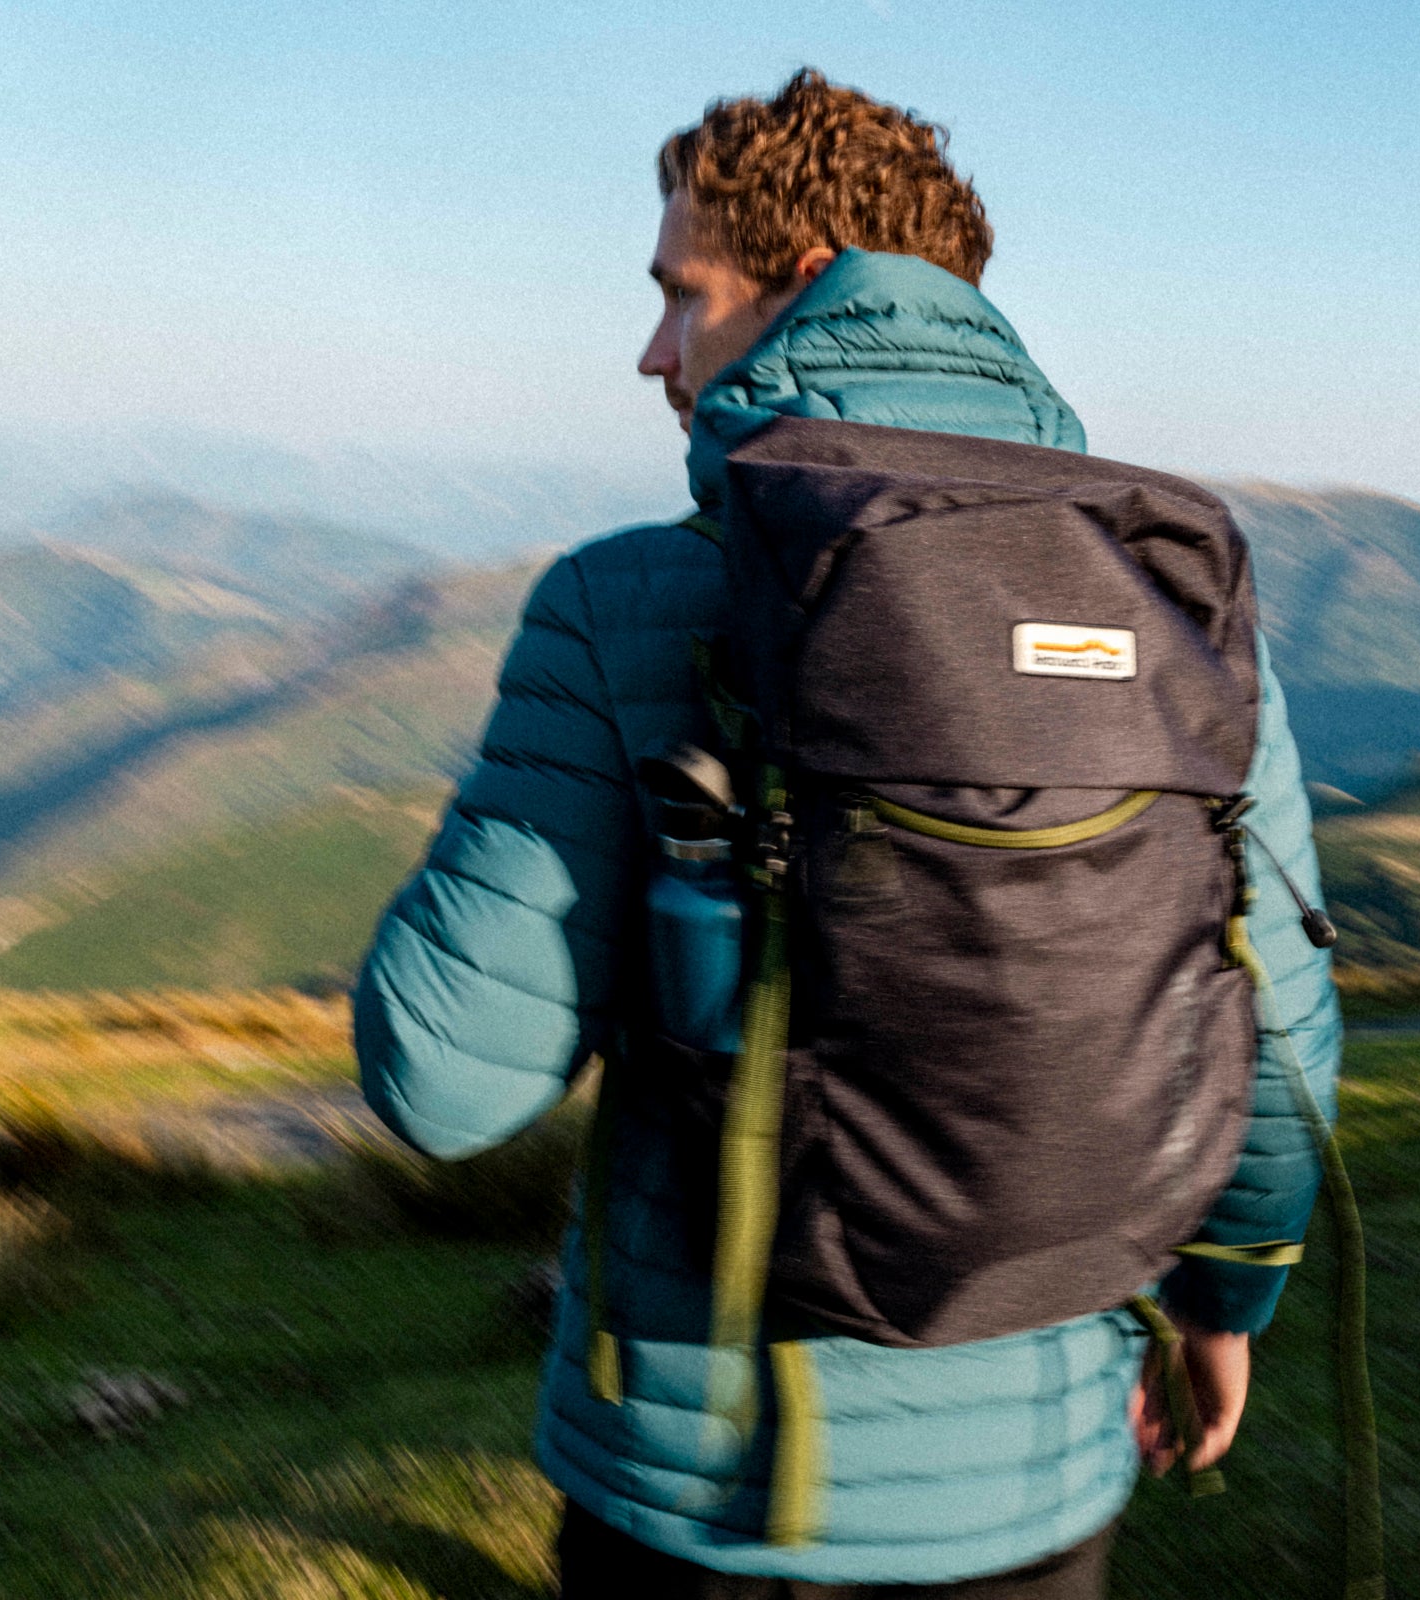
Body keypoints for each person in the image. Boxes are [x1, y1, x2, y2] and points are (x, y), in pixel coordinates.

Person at [352, 68, 1339, 1598]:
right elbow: (1270, 1040)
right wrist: (1226, 1306)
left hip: (703, 1492)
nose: (652, 352)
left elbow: (440, 1080)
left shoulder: (627, 606)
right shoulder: (1174, 611)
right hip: (1040, 1481)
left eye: (684, 296)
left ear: (805, 285)